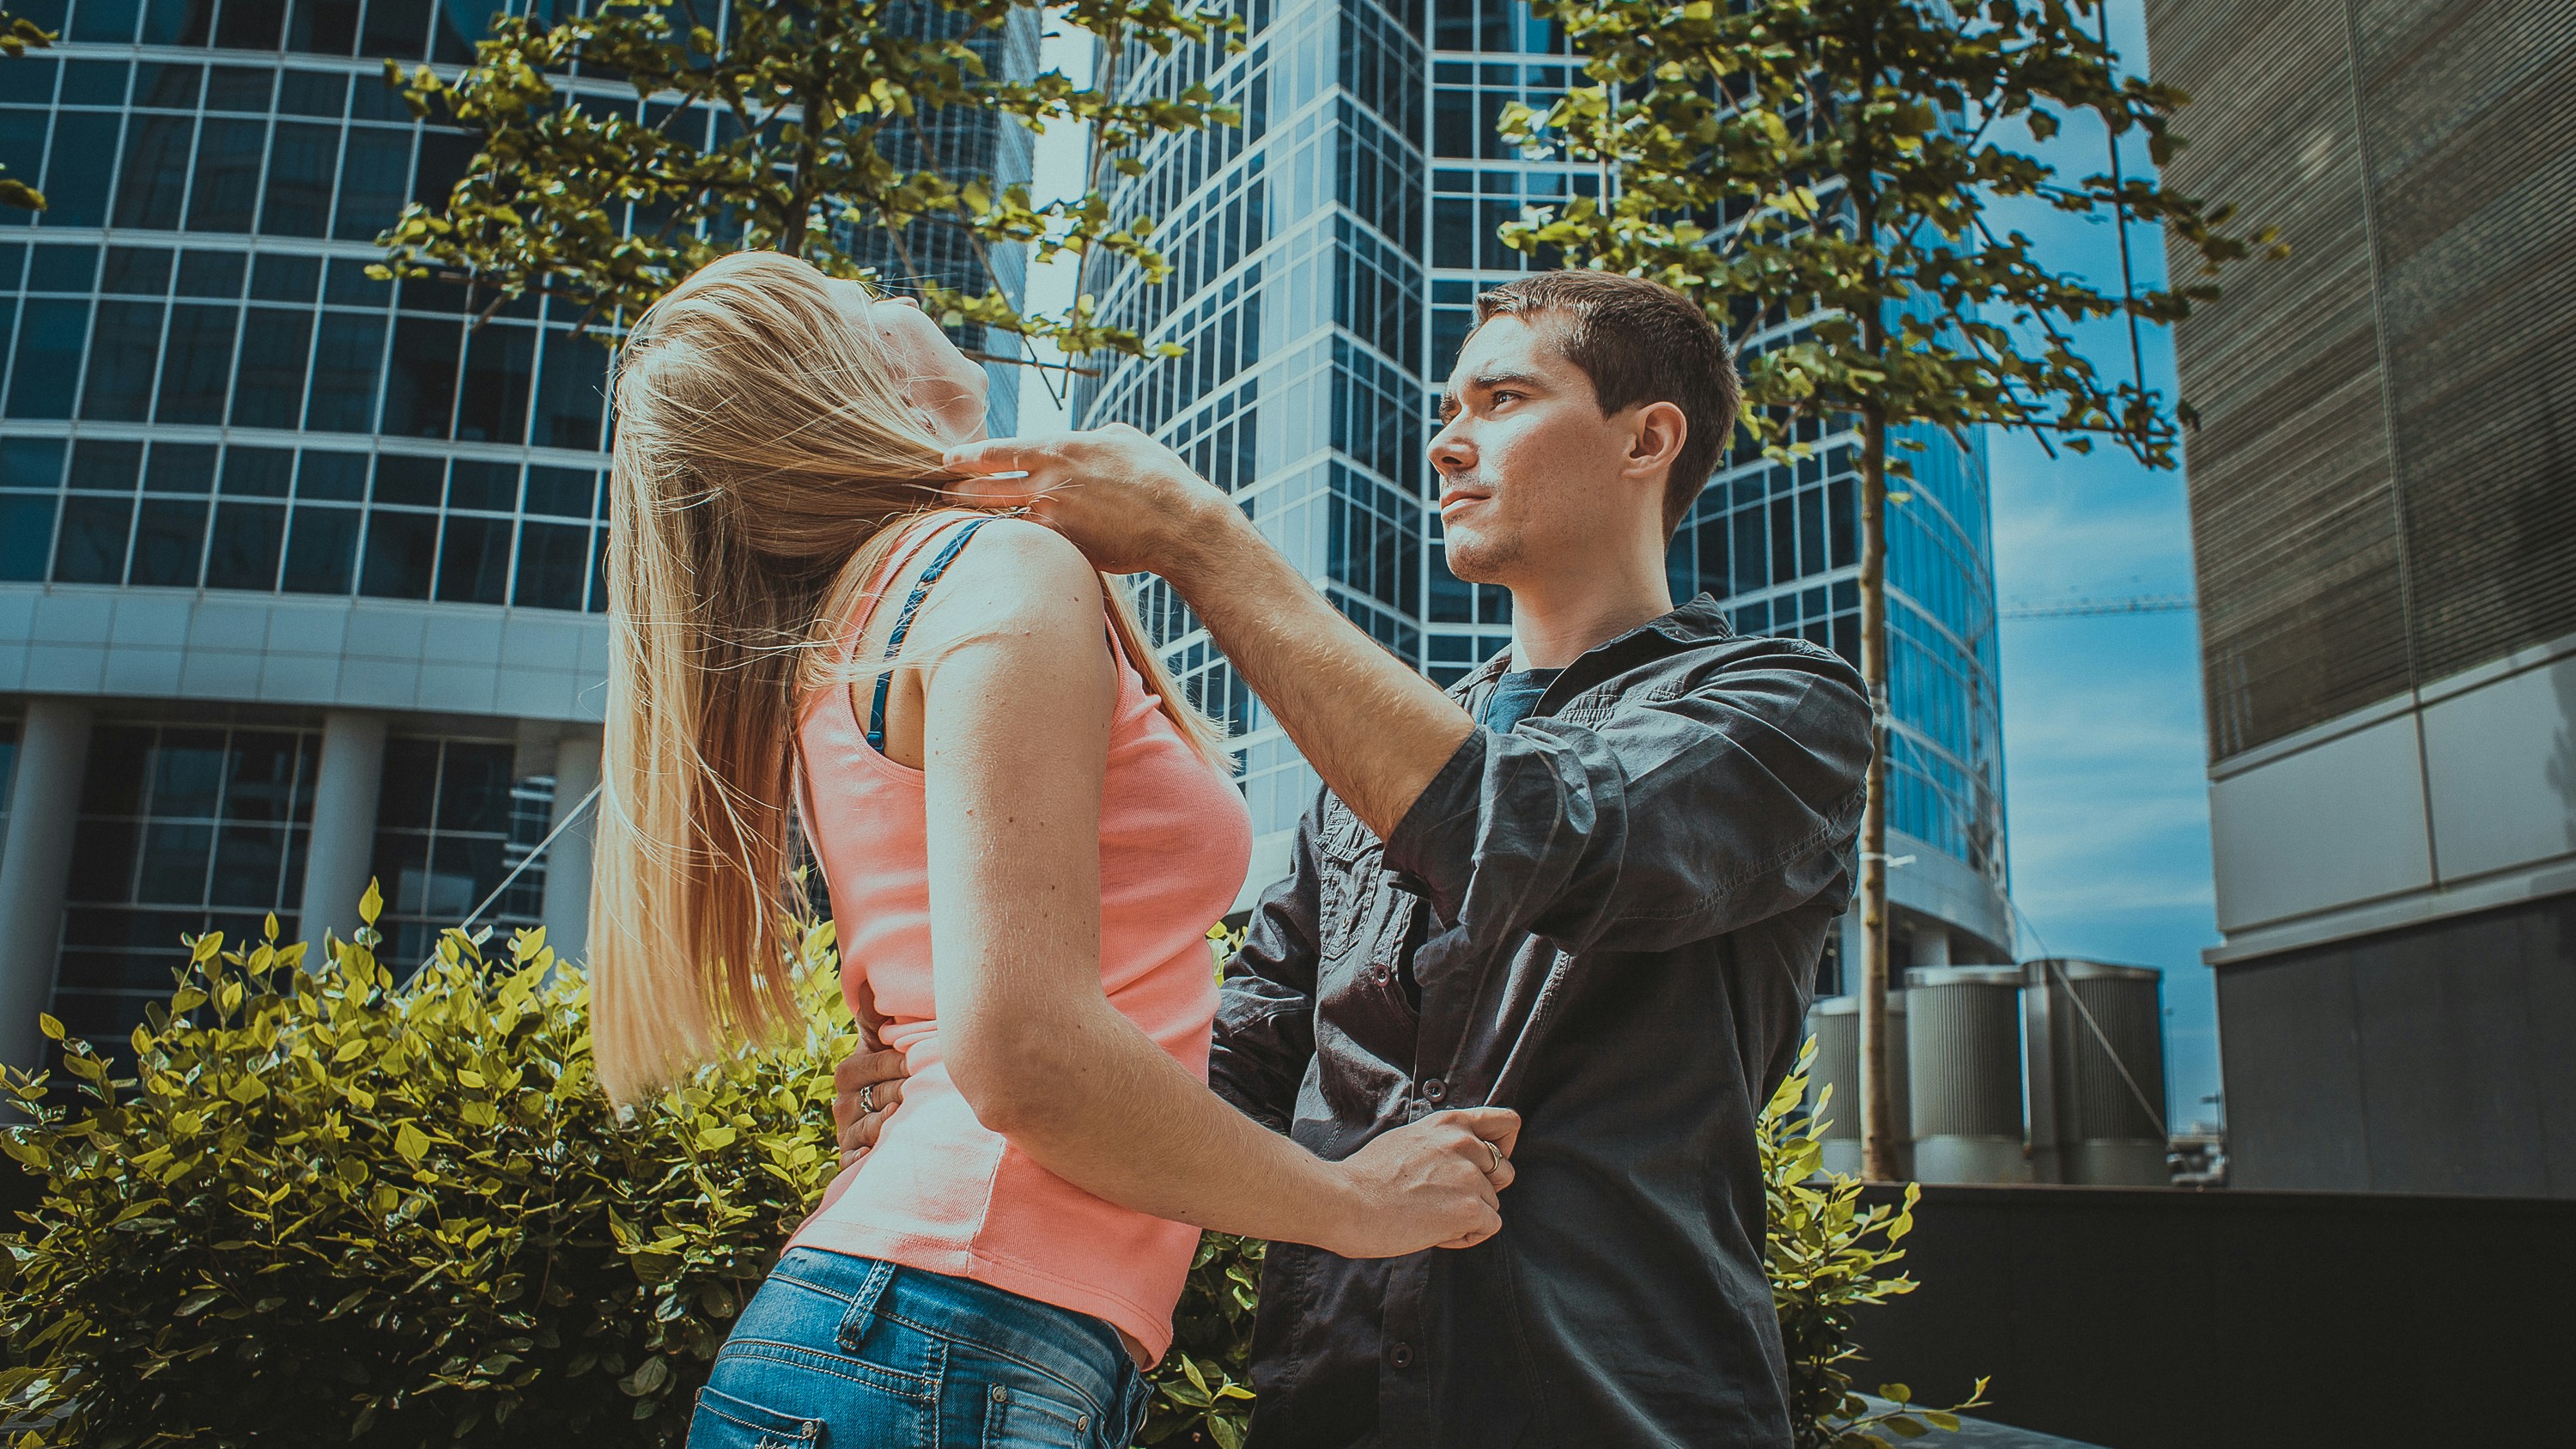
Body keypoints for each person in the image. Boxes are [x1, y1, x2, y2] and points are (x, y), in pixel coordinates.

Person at [835, 270, 1874, 1446]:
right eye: (1448, 409)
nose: (1447, 442)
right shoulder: (1366, 780)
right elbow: (1225, 1072)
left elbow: (1535, 836)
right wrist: (950, 1093)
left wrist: (1198, 539)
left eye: (1502, 400)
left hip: (1623, 1409)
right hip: (1333, 1407)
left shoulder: (1782, 709)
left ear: (1648, 439)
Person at [586, 250, 1522, 1449]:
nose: (906, 299)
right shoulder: (990, 570)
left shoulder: (858, 617)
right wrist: (1351, 1203)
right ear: (854, 376)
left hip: (922, 1329)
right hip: (951, 1331)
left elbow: (987, 1024)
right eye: (870, 301)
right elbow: (1022, 1049)